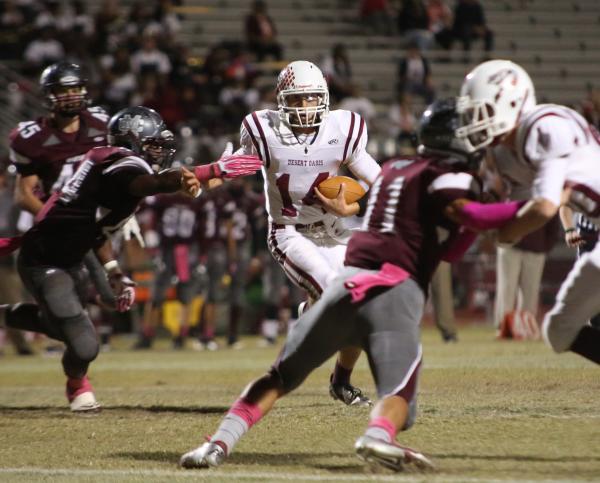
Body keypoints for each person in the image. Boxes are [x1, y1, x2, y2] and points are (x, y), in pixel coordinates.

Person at [179, 97, 521, 471]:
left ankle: (216, 445)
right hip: (392, 287)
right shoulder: (450, 176)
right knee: (399, 394)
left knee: (279, 377)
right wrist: (529, 207)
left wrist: (208, 171)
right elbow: (466, 217)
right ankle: (377, 435)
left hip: (347, 282)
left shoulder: (394, 169)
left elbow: (400, 217)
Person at [0, 106, 262, 412]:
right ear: (132, 142)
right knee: (83, 342)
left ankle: (15, 316)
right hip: (46, 258)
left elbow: (98, 231)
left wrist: (114, 269)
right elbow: (154, 184)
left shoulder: (113, 165)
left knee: (77, 319)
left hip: (78, 252)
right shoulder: (120, 163)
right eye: (153, 144)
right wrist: (212, 171)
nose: (160, 152)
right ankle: (76, 385)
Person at [234, 60, 382, 406]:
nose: (305, 107)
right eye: (297, 99)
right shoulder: (264, 129)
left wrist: (353, 209)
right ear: (281, 99)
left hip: (334, 230)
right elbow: (235, 167)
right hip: (290, 232)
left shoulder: (342, 129)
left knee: (364, 302)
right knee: (338, 294)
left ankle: (340, 381)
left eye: (312, 98)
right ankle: (280, 375)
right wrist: (210, 173)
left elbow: (381, 183)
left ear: (325, 99)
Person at [455, 59, 600, 364]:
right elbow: (520, 206)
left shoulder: (545, 125)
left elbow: (544, 207)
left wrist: (504, 235)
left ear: (509, 101)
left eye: (480, 110)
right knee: (560, 329)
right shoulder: (504, 153)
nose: (472, 119)